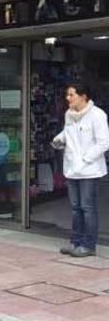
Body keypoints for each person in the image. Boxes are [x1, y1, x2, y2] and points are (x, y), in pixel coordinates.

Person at [52, 83, 109, 258]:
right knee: (76, 208)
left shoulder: (97, 115)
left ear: (83, 96)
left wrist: (85, 159)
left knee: (87, 207)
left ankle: (88, 245)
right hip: (72, 169)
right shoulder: (69, 115)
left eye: (71, 95)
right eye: (67, 95)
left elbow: (103, 143)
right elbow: (67, 133)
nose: (68, 98)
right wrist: (59, 139)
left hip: (89, 170)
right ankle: (75, 242)